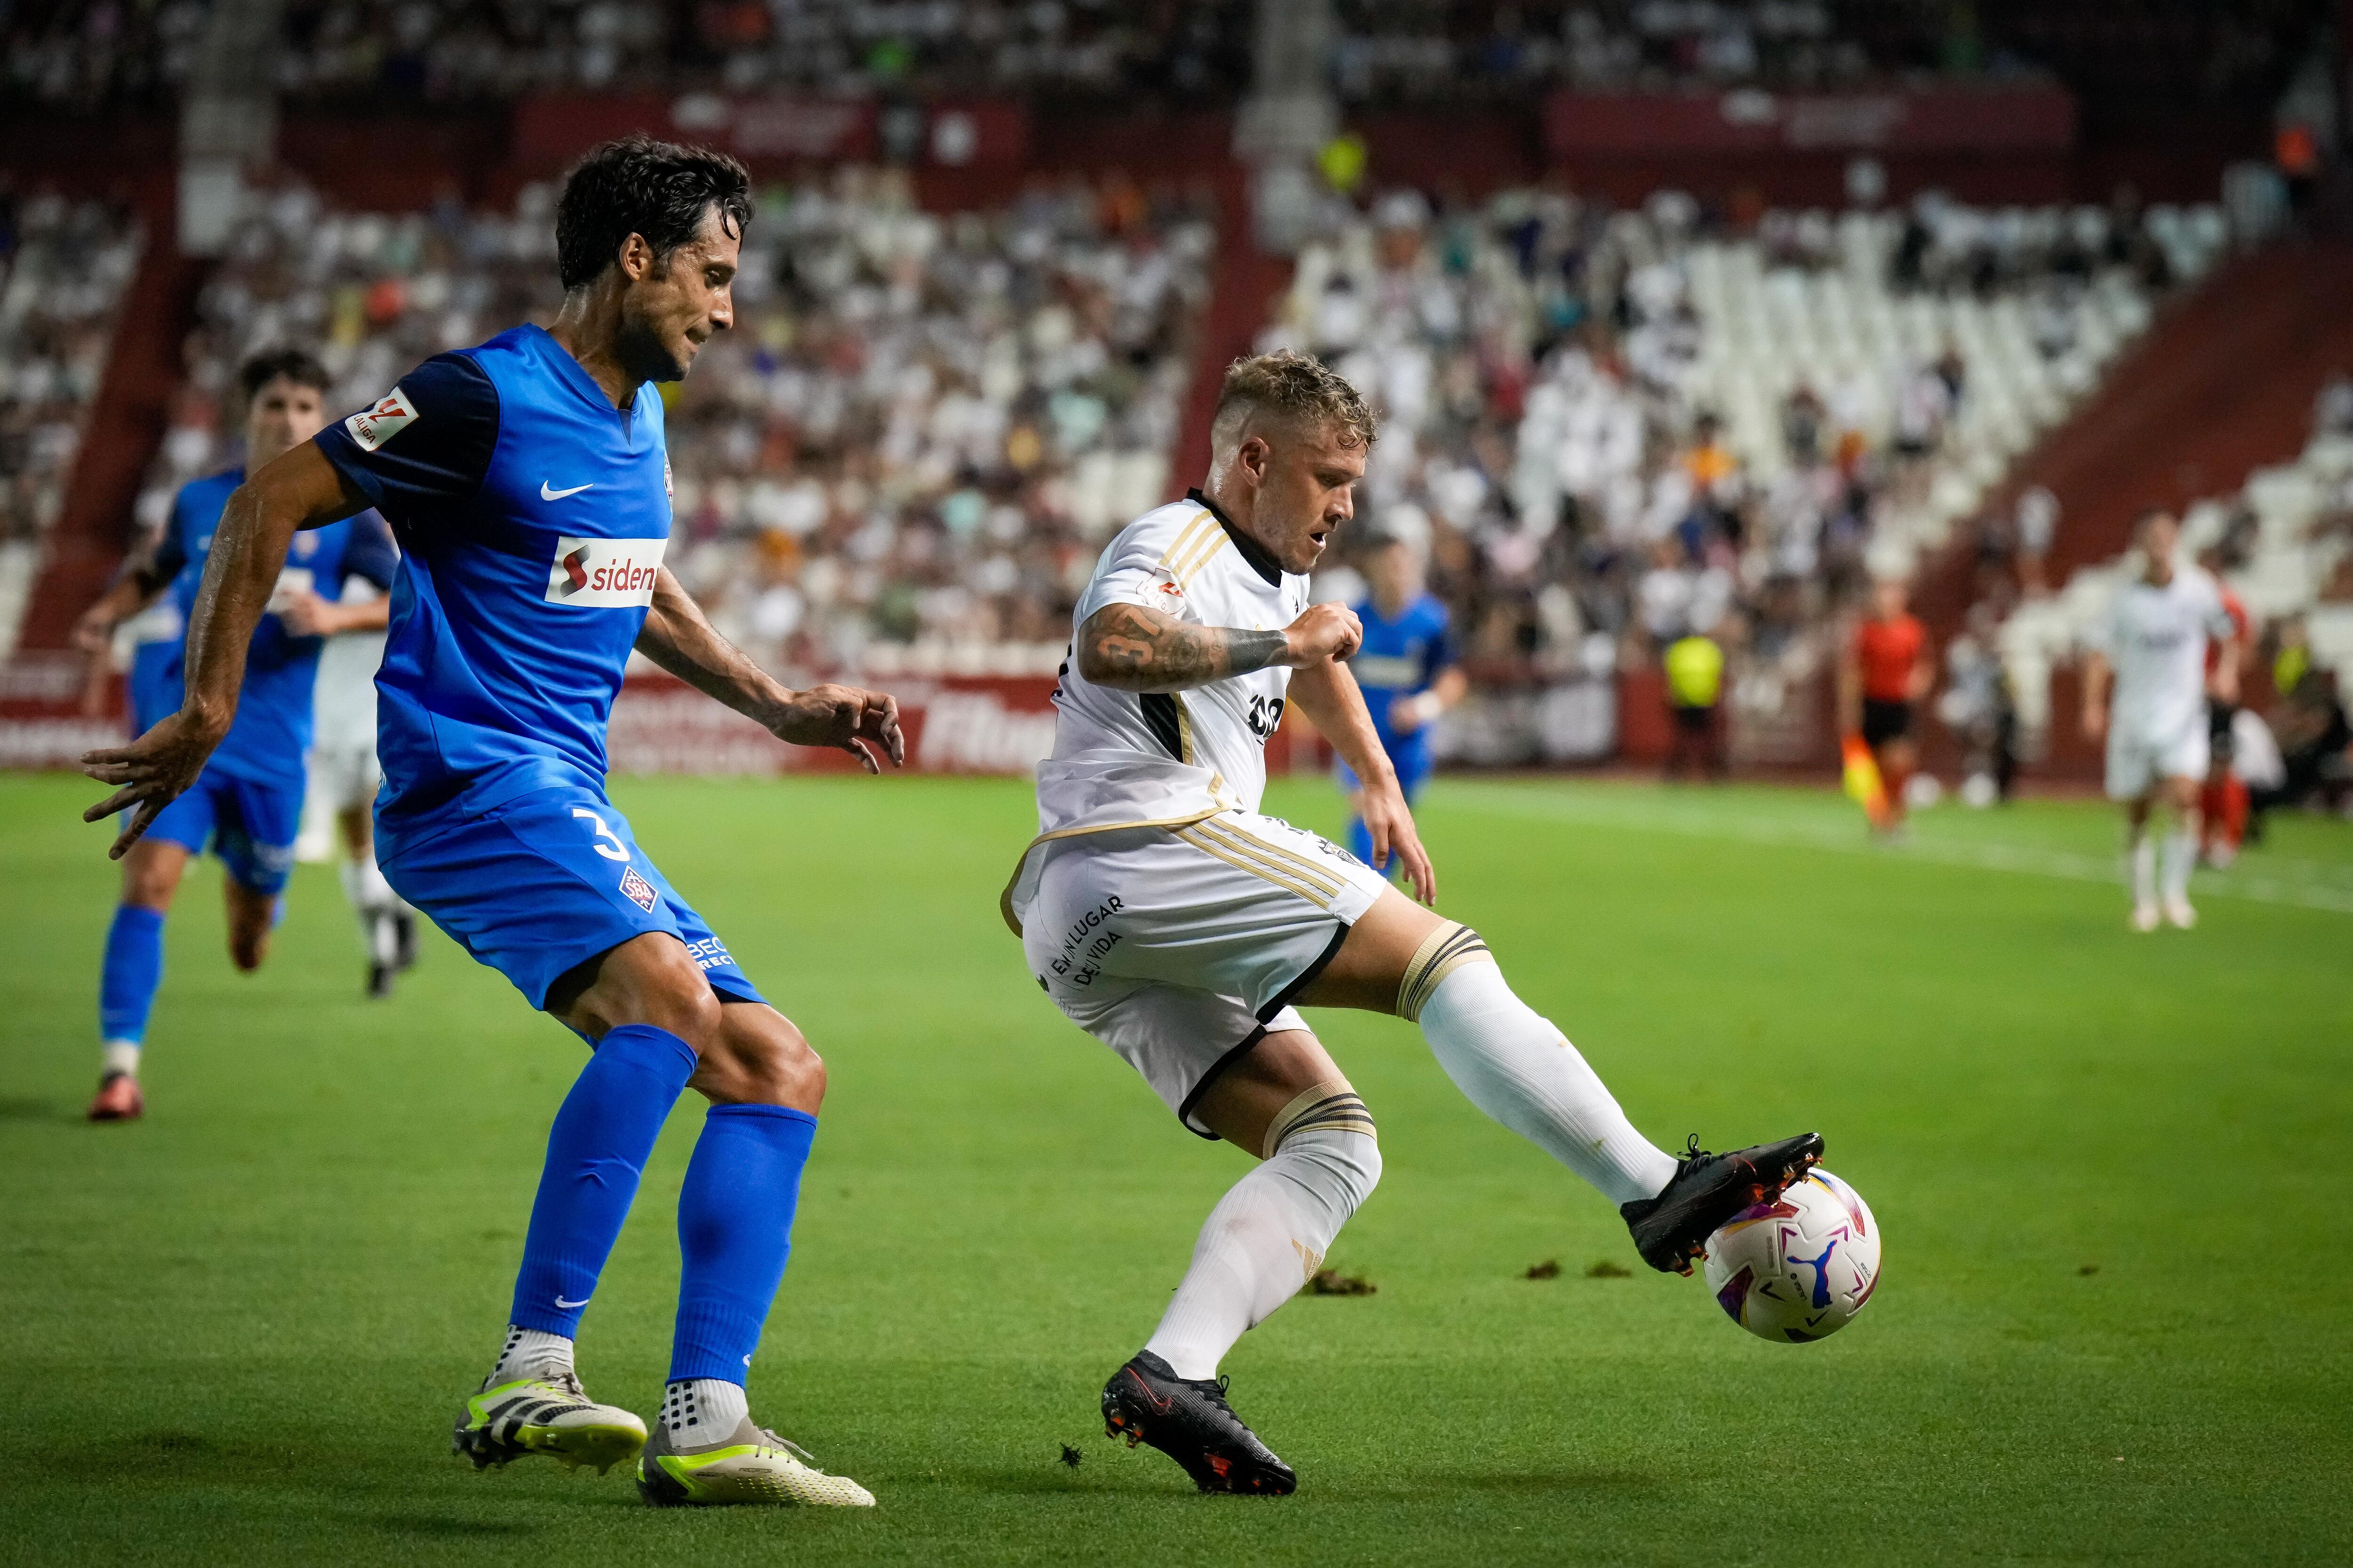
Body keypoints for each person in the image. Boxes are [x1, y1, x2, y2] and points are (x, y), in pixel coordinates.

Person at [80, 136, 904, 1508]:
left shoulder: (637, 421)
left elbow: (628, 580)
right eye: (711, 273)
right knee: (665, 1000)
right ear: (634, 260)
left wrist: (774, 704)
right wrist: (212, 702)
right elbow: (278, 496)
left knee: (777, 1068)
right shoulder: (477, 397)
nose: (728, 307)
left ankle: (707, 1418)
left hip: (562, 796)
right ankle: (531, 1366)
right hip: (469, 783)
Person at [1003, 350, 1821, 1496]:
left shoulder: (1271, 568)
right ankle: (1651, 1189)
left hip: (1077, 931)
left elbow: (1318, 652)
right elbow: (1114, 644)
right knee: (1441, 961)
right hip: (1147, 845)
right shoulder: (1170, 544)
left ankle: (1173, 1373)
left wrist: (1376, 769)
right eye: (1329, 476)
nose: (1345, 504)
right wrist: (1276, 649)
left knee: (1333, 1143)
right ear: (1253, 459)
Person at [69, 349, 398, 1122]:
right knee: (147, 882)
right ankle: (120, 1069)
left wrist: (337, 616)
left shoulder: (347, 513)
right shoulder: (200, 502)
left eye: (306, 407)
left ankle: (255, 897)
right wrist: (106, 613)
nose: (290, 419)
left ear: (324, 419)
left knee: (250, 946)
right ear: (247, 417)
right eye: (275, 406)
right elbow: (152, 573)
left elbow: (414, 595)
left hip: (274, 758)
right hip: (184, 737)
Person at [2081, 509, 2238, 931]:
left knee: (2186, 798)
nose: (2160, 545)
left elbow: (2228, 633)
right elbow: (2099, 653)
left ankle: (2174, 894)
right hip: (2133, 714)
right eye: (2152, 537)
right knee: (2138, 811)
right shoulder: (2123, 598)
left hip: (2183, 715)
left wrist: (2226, 672)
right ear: (2139, 545)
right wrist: (2093, 705)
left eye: (2166, 537)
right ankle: (2142, 901)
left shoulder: (2198, 590)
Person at [305, 560, 418, 996]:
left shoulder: (400, 567)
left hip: (382, 722)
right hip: (330, 726)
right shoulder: (321, 567)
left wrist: (337, 618)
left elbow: (408, 611)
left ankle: (393, 935)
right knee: (358, 849)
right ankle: (382, 949)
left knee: (379, 837)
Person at [1336, 534, 1463, 871]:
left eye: (1404, 563)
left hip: (1407, 744)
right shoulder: (1353, 619)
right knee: (1366, 812)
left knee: (1395, 826)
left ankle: (1376, 894)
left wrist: (1422, 709)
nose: (1399, 572)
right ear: (1373, 568)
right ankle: (1366, 895)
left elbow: (1452, 679)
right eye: (1390, 564)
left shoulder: (1431, 621)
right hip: (1361, 737)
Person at [1840, 578, 1934, 836]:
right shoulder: (1867, 631)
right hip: (1872, 702)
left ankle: (1897, 814)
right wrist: (1850, 706)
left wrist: (1918, 685)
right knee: (1876, 768)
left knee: (1901, 762)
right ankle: (1881, 819)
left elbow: (1924, 666)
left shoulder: (1913, 631)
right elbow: (1854, 669)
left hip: (1898, 704)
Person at [2194, 552, 2253, 867]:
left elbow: (2244, 650)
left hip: (2218, 700)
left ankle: (2227, 840)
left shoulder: (2229, 606)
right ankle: (2202, 839)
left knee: (2222, 769)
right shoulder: (2191, 606)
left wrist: (2222, 679)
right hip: (2192, 699)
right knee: (2197, 771)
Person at [1662, 622, 1726, 781]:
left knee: (1685, 739)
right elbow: (1718, 675)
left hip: (1684, 700)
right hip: (1704, 700)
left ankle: (1680, 773)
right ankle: (1706, 773)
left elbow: (1670, 676)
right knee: (1703, 740)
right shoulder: (1709, 649)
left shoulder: (1678, 649)